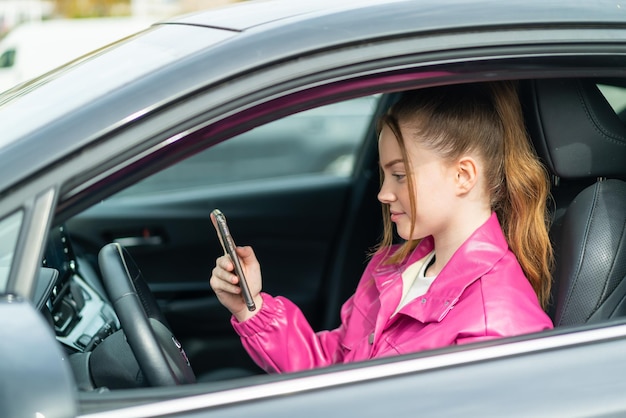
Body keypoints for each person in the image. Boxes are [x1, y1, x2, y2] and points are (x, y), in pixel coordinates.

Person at [210, 81, 554, 374]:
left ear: (462, 176)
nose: (383, 193)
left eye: (400, 176)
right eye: (385, 174)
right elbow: (333, 366)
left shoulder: (496, 323)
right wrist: (250, 306)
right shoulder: (394, 268)